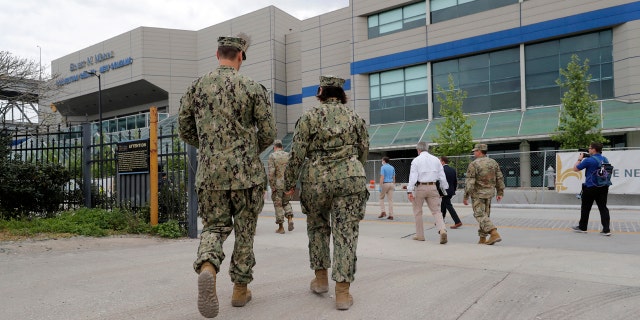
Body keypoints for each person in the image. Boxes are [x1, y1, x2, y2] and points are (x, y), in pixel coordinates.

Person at [178, 34, 276, 318]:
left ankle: (208, 266)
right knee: (245, 232)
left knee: (213, 228)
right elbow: (268, 133)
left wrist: (210, 149)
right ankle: (239, 290)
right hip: (247, 176)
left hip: (210, 175)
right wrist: (247, 150)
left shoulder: (196, 87)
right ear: (240, 56)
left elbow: (184, 128)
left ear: (217, 54)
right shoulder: (253, 87)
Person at [283, 75, 369, 311]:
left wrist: (289, 183)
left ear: (321, 92)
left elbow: (297, 154)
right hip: (349, 178)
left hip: (316, 181)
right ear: (341, 94)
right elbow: (364, 149)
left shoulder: (309, 117)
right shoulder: (355, 118)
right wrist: (353, 169)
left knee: (318, 228)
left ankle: (321, 280)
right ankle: (342, 293)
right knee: (346, 233)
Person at [406, 142, 449, 244]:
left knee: (418, 212)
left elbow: (413, 177)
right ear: (427, 149)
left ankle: (420, 235)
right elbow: (442, 176)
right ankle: (442, 229)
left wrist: (409, 190)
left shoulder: (416, 160)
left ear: (418, 150)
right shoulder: (436, 160)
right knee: (436, 211)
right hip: (433, 187)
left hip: (420, 187)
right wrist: (444, 188)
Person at [463, 144, 505, 245]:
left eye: (475, 151)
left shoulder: (474, 164)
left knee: (479, 214)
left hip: (477, 194)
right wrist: (500, 192)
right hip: (490, 193)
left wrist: (466, 196)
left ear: (479, 151)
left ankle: (494, 233)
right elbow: (499, 178)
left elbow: (470, 182)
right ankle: (482, 239)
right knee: (485, 216)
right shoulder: (493, 162)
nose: (474, 153)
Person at [572, 142, 611, 236]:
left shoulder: (589, 160)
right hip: (603, 186)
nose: (588, 150)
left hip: (590, 187)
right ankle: (606, 229)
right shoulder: (605, 159)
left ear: (594, 149)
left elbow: (575, 169)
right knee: (603, 208)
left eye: (589, 148)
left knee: (586, 208)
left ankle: (582, 227)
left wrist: (580, 159)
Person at [268, 140, 294, 234]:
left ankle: (281, 228)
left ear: (274, 147)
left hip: (278, 184)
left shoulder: (272, 156)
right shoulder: (288, 155)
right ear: (282, 147)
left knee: (278, 204)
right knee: (286, 202)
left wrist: (272, 186)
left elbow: (271, 173)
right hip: (287, 183)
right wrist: (292, 184)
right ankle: (290, 218)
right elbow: (292, 170)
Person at [440, 156, 462, 229]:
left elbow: (440, 182)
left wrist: (439, 192)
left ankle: (457, 221)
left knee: (448, 205)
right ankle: (440, 221)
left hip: (444, 191)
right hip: (451, 190)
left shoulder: (441, 170)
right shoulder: (452, 169)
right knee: (443, 204)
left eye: (440, 161)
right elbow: (455, 181)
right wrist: (454, 190)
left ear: (443, 162)